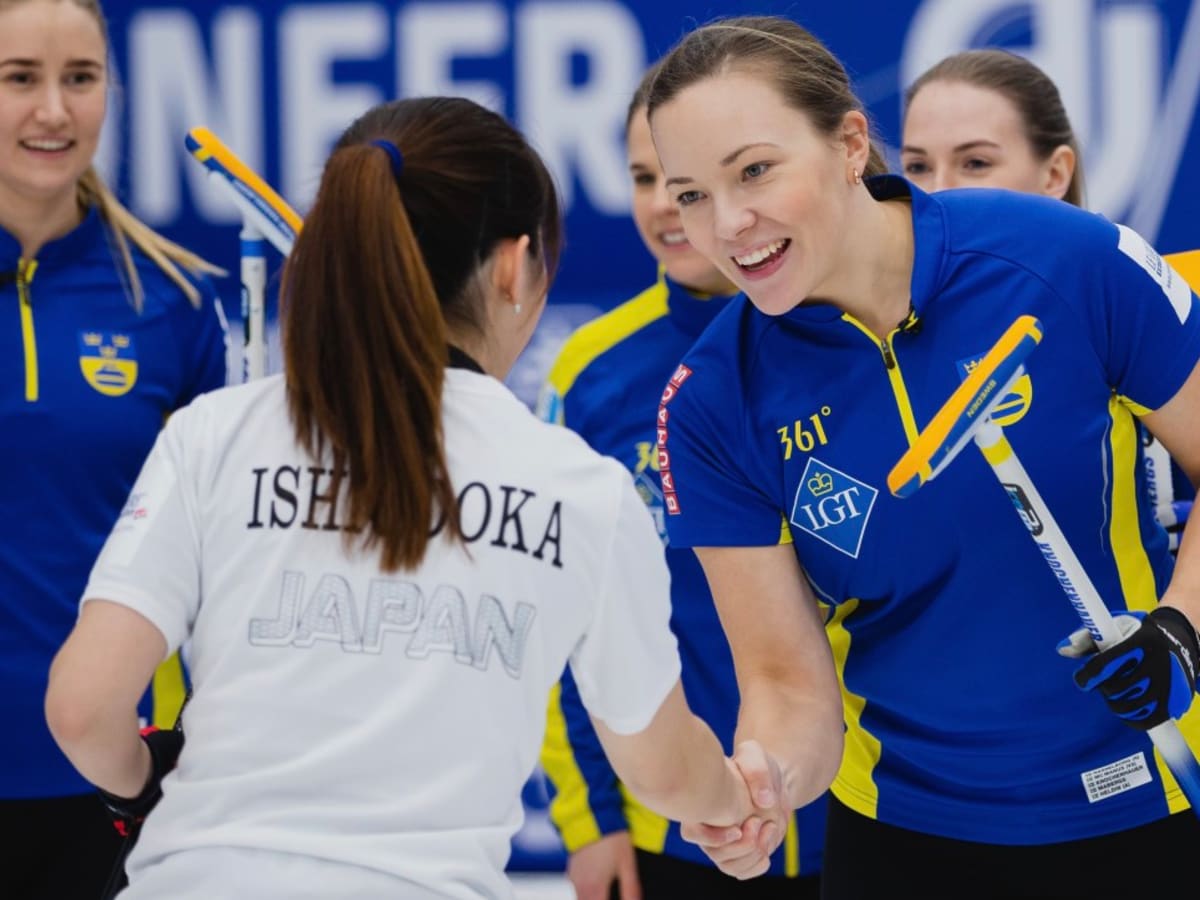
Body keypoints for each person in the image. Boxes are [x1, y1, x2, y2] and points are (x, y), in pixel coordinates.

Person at [43, 94, 767, 900]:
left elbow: (82, 708)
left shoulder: (215, 434)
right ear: (511, 265)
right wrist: (737, 808)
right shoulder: (578, 490)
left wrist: (144, 785)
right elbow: (664, 767)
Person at [642, 15, 1200, 896]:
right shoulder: (712, 400)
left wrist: (1183, 628)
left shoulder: (1064, 260)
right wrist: (764, 784)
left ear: (850, 142)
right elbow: (788, 689)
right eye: (690, 195)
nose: (730, 224)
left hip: (1150, 806)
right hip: (903, 839)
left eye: (754, 170)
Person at [538, 62, 824, 900]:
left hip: (873, 811)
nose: (665, 203)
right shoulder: (594, 372)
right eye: (643, 178)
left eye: (687, 181)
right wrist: (591, 820)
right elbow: (566, 612)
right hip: (683, 829)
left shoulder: (844, 343)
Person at [0, 0, 228, 895]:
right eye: (19, 78)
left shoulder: (174, 299)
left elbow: (228, 560)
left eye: (81, 79)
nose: (54, 111)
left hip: (108, 787)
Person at [900, 47, 1194, 553]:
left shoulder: (1160, 293)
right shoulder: (878, 337)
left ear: (1055, 174)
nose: (939, 192)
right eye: (917, 166)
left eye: (976, 162)